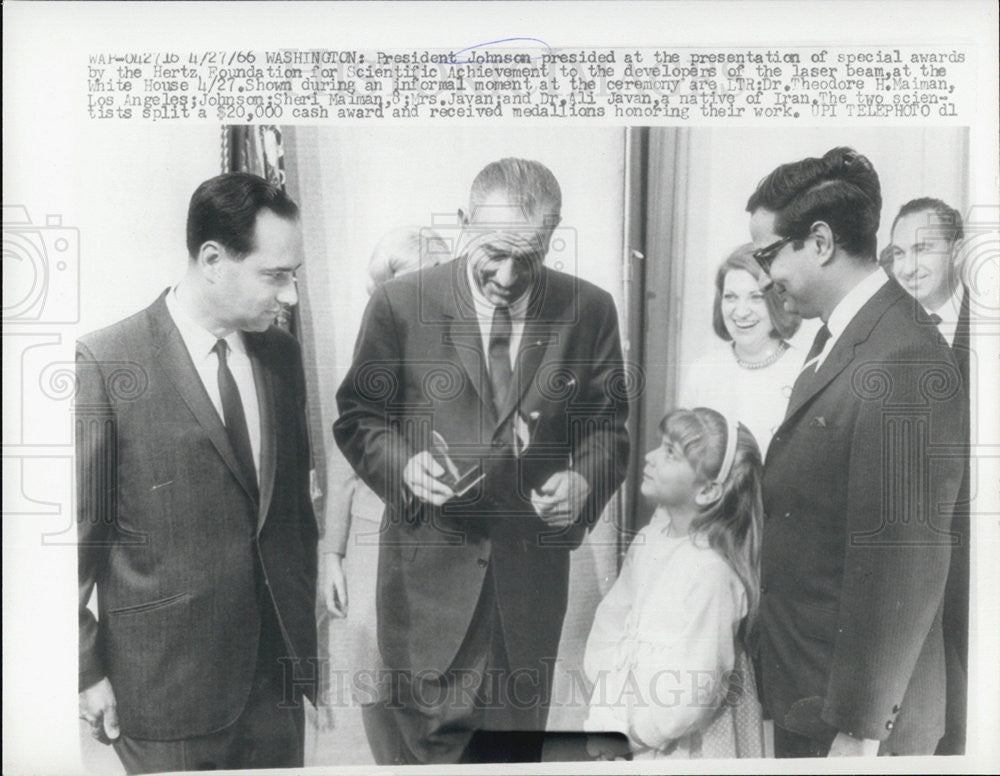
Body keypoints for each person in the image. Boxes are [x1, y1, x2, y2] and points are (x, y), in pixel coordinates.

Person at [333, 157, 630, 764]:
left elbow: (609, 430)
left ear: (554, 237)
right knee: (432, 753)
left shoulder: (589, 310)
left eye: (531, 256)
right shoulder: (399, 304)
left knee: (515, 752)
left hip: (528, 592)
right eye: (493, 251)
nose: (508, 273)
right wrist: (402, 467)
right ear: (465, 223)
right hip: (429, 592)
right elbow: (359, 417)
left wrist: (583, 480)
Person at [76, 172, 318, 773]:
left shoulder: (281, 357)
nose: (289, 297)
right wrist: (84, 669)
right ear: (213, 259)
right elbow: (70, 547)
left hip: (275, 691)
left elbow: (290, 518)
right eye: (275, 275)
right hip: (166, 697)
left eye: (294, 276)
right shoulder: (106, 364)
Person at [747, 147, 966, 757]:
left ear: (819, 242)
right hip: (813, 696)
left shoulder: (903, 357)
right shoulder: (846, 336)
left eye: (768, 255)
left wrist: (859, 730)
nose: (765, 277)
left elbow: (905, 559)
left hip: (856, 728)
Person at [317, 226, 449, 736]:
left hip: (441, 548)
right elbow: (344, 459)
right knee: (376, 681)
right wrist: (333, 553)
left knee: (434, 684)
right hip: (375, 540)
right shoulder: (375, 356)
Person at [583, 408, 765, 760]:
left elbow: (699, 685)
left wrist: (641, 734)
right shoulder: (650, 540)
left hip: (682, 739)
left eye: (670, 453)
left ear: (709, 490)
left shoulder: (711, 571)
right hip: (628, 718)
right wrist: (608, 712)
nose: (650, 457)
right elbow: (612, 623)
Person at [885, 198, 971, 755]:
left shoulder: (985, 326)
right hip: (915, 537)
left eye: (923, 249)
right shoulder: (889, 334)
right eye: (897, 253)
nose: (908, 266)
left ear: (959, 253)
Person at [679, 245, 802, 456]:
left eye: (756, 297)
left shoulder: (803, 369)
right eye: (730, 297)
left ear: (777, 301)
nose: (741, 312)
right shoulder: (702, 370)